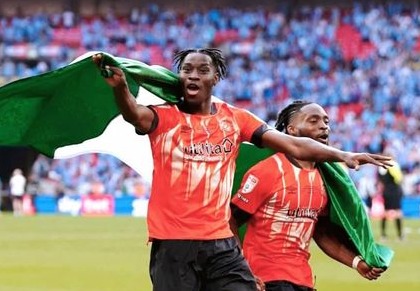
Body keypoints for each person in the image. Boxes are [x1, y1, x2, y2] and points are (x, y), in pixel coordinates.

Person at [92, 49, 390, 291]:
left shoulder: (236, 120)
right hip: (173, 245)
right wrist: (121, 89)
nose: (193, 75)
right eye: (186, 69)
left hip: (220, 243)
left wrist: (343, 155)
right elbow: (134, 115)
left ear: (216, 77)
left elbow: (295, 146)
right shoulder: (163, 118)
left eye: (202, 70)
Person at [230, 100, 385, 291]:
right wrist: (241, 270)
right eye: (313, 121)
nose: (323, 126)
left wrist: (356, 262)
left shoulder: (325, 178)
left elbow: (320, 232)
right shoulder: (268, 171)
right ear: (291, 130)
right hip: (265, 279)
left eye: (326, 122)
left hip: (303, 280)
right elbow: (231, 220)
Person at [377, 150, 405, 241]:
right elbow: (399, 178)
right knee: (398, 212)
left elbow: (380, 181)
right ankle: (400, 235)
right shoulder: (394, 165)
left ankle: (383, 235)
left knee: (385, 212)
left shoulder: (381, 166)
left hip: (386, 191)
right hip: (395, 190)